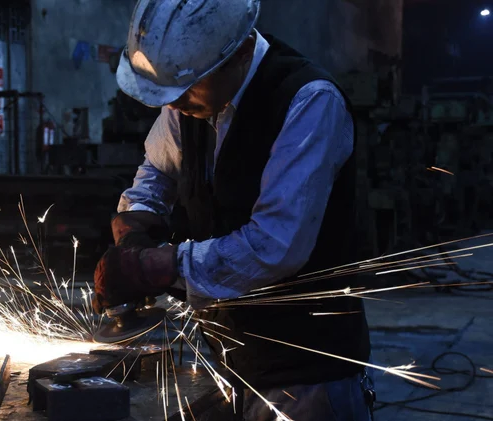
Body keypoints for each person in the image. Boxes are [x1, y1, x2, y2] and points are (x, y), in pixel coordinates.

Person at [92, 0, 373, 420]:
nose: (176, 103)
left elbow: (274, 246)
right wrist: (135, 228)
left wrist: (157, 266)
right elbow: (156, 171)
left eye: (185, 89)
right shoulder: (189, 97)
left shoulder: (309, 101)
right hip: (231, 358)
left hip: (308, 375)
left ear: (240, 52)